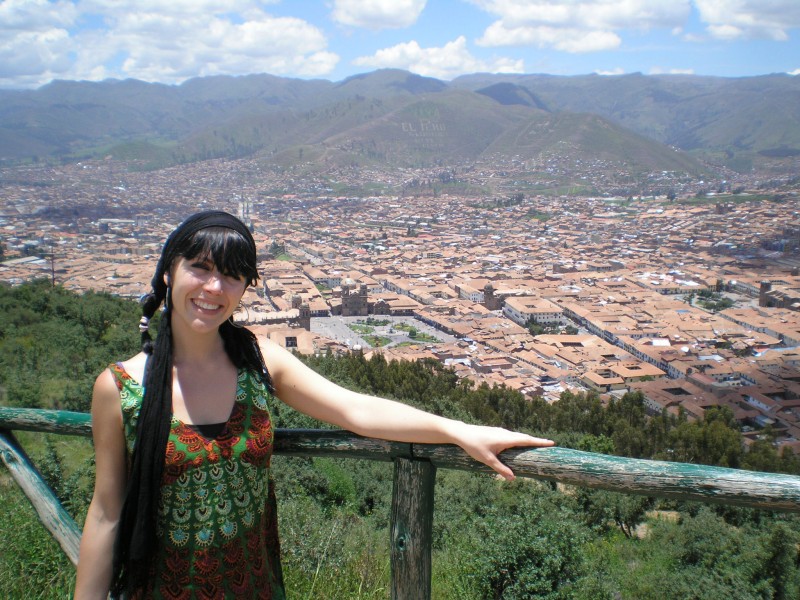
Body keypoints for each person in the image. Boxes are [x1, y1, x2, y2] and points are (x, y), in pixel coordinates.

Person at [74, 210, 554, 599]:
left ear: (245, 289)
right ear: (167, 271)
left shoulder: (260, 363)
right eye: (200, 268)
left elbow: (356, 410)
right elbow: (106, 513)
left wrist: (460, 431)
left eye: (233, 276)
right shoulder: (119, 389)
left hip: (254, 587)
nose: (214, 288)